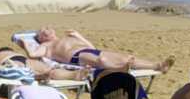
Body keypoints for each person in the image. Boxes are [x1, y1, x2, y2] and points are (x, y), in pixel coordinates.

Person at [22, 27, 172, 76]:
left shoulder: (68, 37)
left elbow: (91, 46)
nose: (47, 30)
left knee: (127, 57)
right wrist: (24, 42)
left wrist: (78, 35)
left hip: (88, 50)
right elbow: (32, 55)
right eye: (43, 31)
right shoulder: (46, 46)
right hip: (76, 57)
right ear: (41, 38)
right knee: (102, 61)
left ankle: (158, 66)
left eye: (48, 28)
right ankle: (119, 69)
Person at [0, 37, 88, 84]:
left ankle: (74, 75)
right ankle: (38, 77)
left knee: (49, 70)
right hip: (6, 62)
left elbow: (32, 55)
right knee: (22, 70)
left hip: (23, 59)